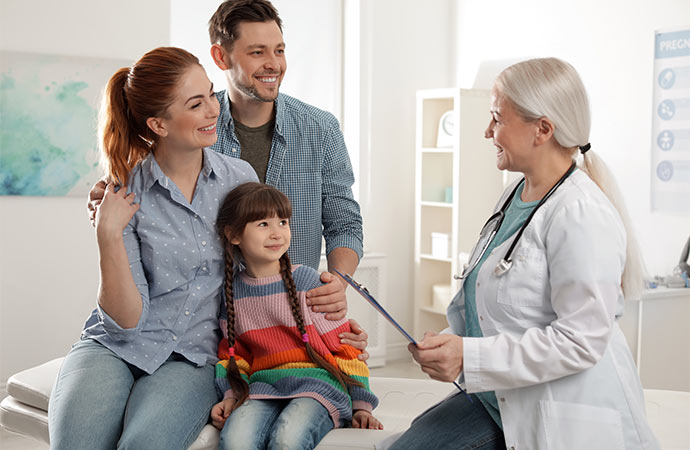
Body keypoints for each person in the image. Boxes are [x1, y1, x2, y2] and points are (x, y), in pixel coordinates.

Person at [388, 58, 659, 450]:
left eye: (497, 118)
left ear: (542, 129)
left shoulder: (580, 212)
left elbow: (580, 341)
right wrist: (447, 343)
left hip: (557, 413)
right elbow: (501, 310)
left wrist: (468, 356)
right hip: (497, 397)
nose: (487, 131)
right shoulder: (515, 194)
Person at [88, 0, 363, 325]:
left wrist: (338, 281)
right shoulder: (192, 125)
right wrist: (107, 201)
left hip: (294, 308)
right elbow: (149, 186)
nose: (273, 64)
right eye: (257, 52)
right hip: (217, 324)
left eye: (279, 50)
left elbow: (344, 223)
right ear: (221, 56)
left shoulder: (320, 128)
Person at [48, 47, 260, 449]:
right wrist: (108, 235)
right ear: (158, 124)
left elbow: (264, 267)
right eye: (195, 104)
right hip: (112, 347)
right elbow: (125, 322)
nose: (213, 109)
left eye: (211, 95)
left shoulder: (239, 180)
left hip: (191, 357)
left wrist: (321, 321)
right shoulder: (123, 191)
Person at [210, 182, 381, 450]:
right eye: (263, 224)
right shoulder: (232, 294)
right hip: (262, 389)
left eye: (283, 222)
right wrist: (231, 396)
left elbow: (346, 348)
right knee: (235, 440)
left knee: (287, 439)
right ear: (233, 234)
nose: (277, 232)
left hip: (318, 388)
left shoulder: (308, 283)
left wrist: (362, 406)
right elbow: (234, 357)